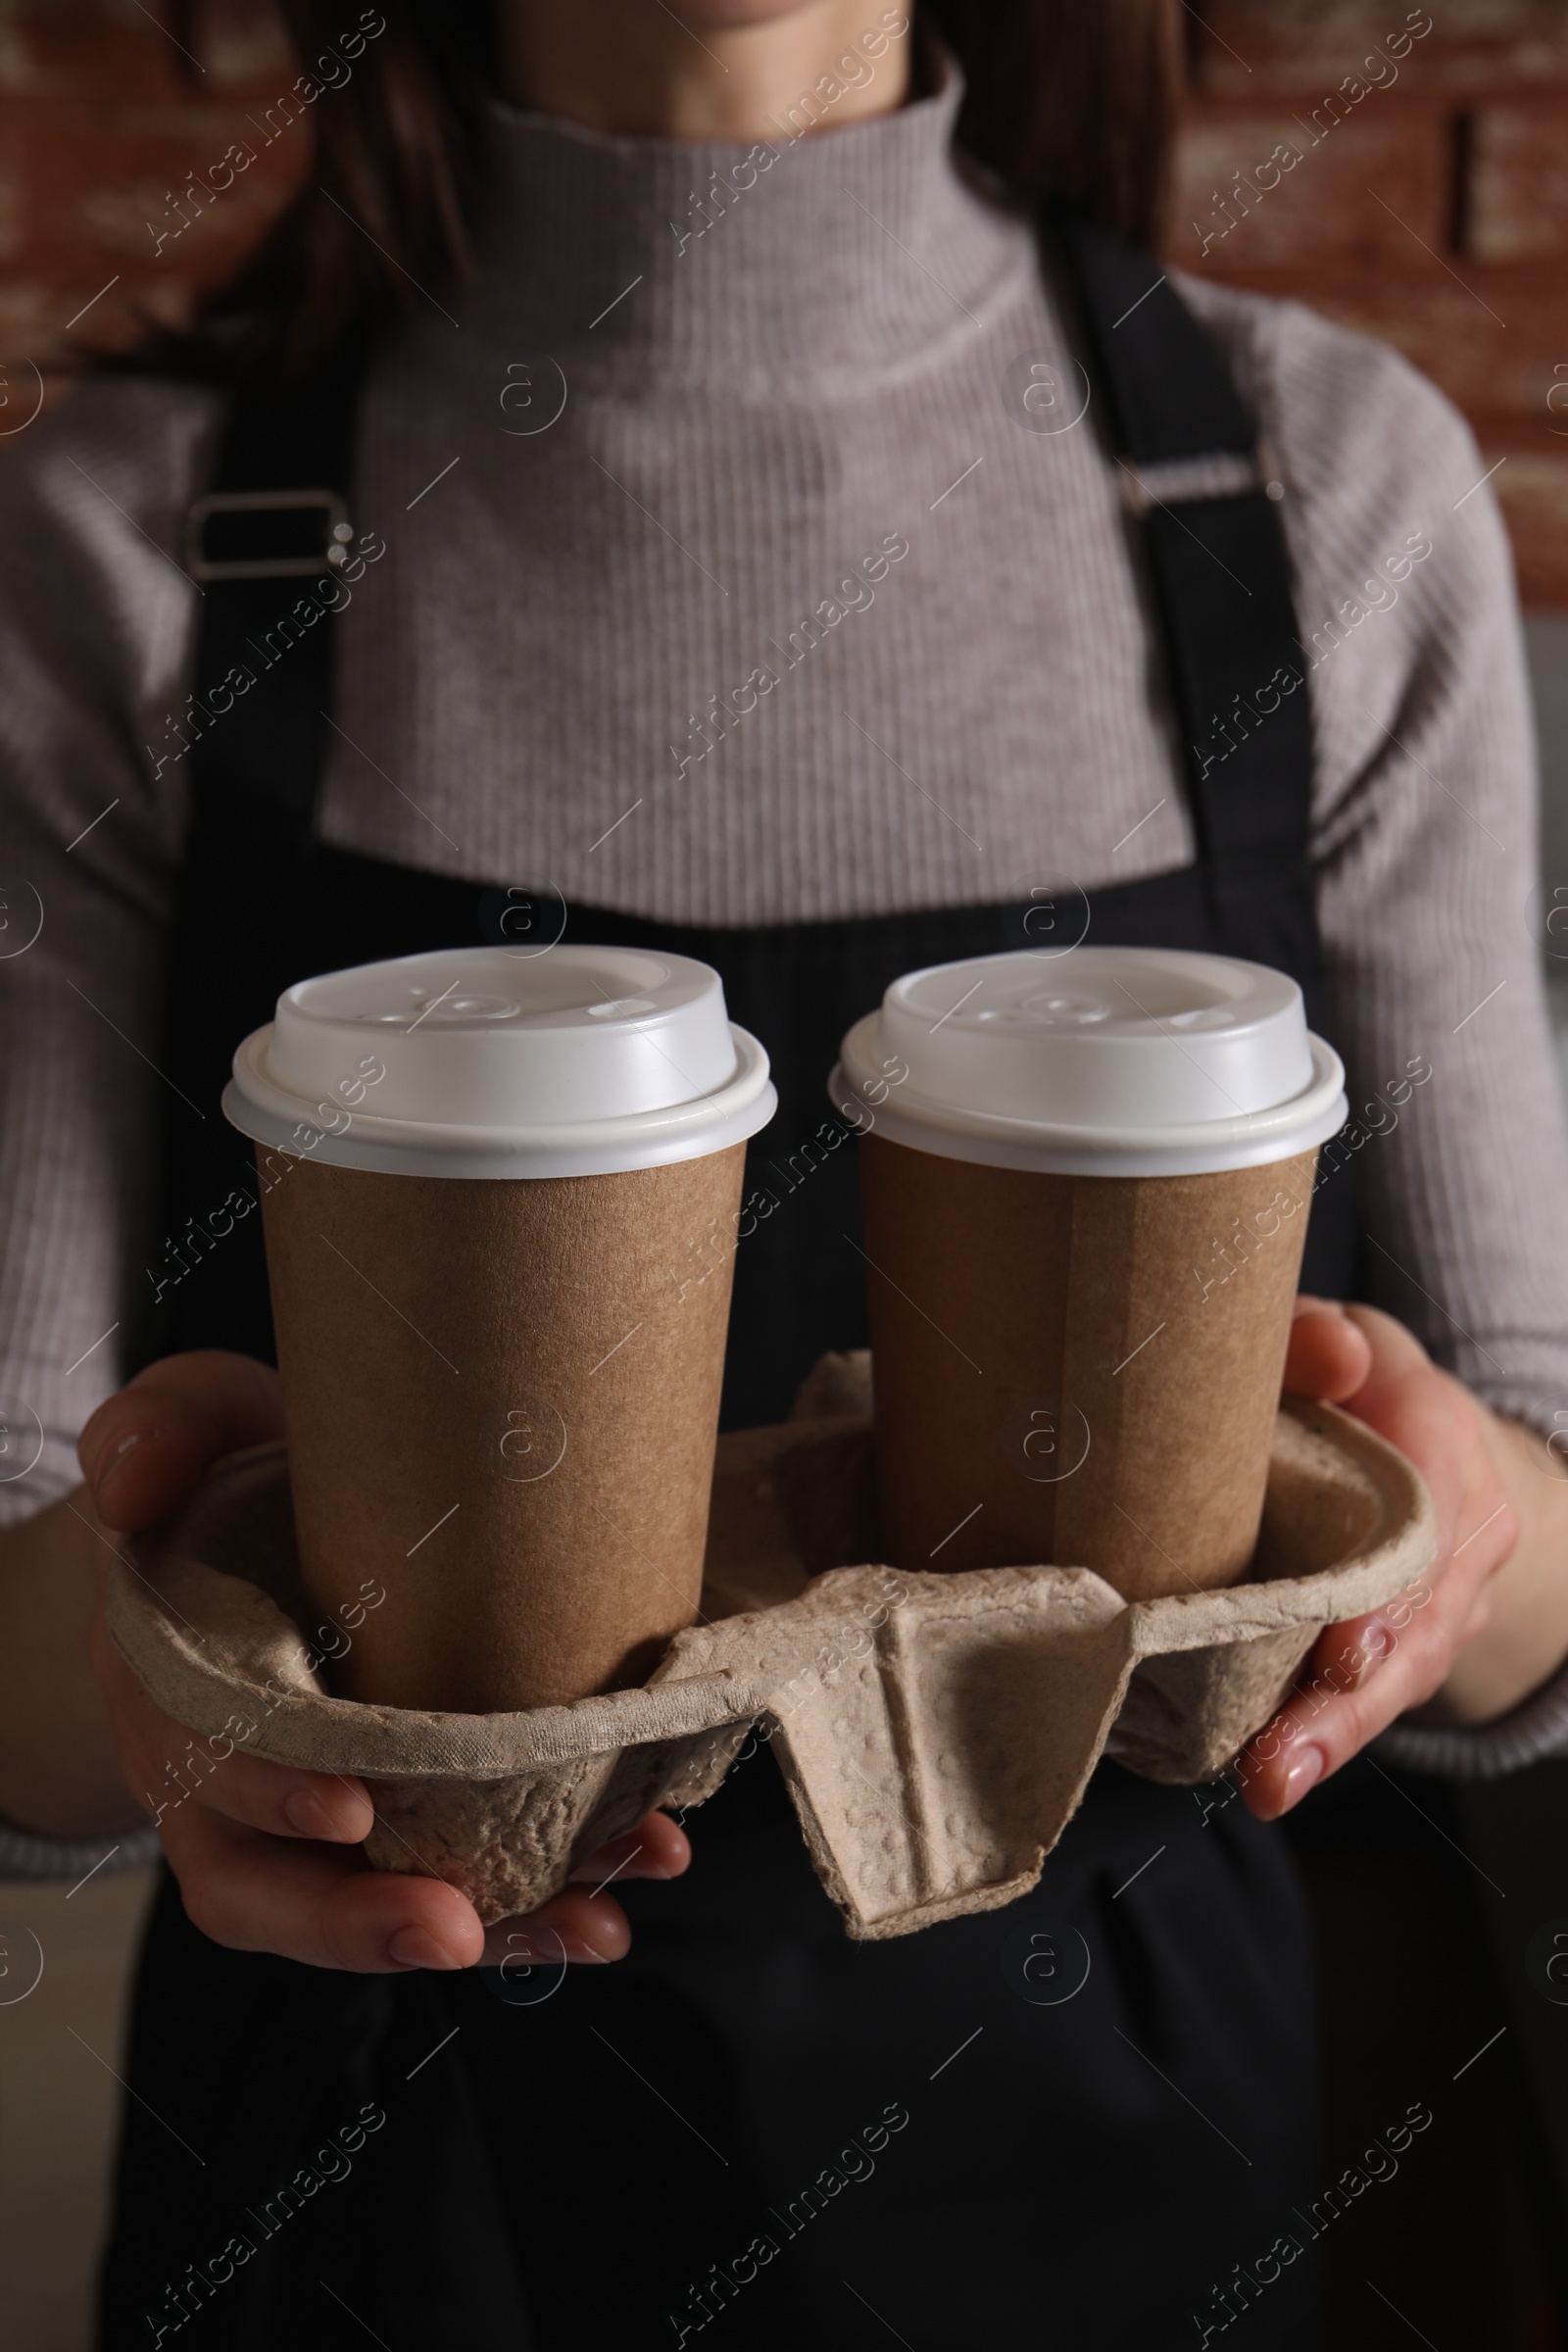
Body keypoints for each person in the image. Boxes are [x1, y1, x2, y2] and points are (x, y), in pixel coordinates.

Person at [2, 2, 1567, 2343]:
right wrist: (171, 1668)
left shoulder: (1311, 490)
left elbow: (1538, 1512)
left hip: (1127, 2195)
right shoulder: (137, 542)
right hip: (375, 2210)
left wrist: (1462, 1542)